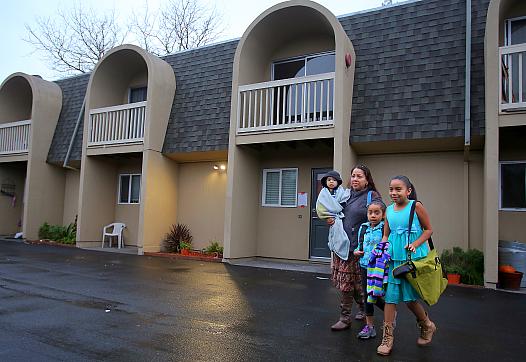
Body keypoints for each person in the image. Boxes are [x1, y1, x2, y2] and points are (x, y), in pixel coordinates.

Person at [377, 175, 436, 356]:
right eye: (391, 189)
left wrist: (416, 244)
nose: (394, 193)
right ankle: (387, 338)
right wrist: (382, 246)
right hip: (394, 259)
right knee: (390, 298)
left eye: (398, 189)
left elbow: (429, 229)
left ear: (408, 191)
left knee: (410, 300)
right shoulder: (388, 210)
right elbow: (386, 235)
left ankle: (427, 325)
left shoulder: (416, 206)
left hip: (412, 259)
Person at [326, 165, 381, 331]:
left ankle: (349, 316)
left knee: (352, 284)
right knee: (350, 284)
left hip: (359, 248)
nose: (355, 179)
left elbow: (380, 211)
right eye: (353, 176)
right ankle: (356, 312)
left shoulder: (372, 196)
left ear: (367, 180)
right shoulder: (345, 194)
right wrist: (330, 219)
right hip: (343, 246)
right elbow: (335, 212)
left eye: (359, 176)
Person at [354, 200, 387, 339]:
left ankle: (390, 313)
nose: (373, 215)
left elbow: (388, 245)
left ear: (383, 214)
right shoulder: (363, 227)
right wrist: (357, 251)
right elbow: (359, 245)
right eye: (370, 212)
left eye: (376, 212)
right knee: (367, 296)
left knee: (375, 294)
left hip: (378, 267)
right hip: (364, 265)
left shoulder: (385, 228)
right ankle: (370, 327)